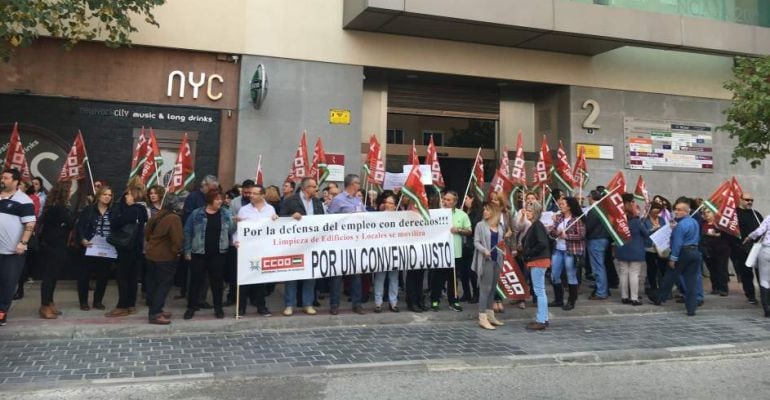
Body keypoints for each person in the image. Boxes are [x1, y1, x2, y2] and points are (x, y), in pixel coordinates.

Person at [183, 189, 235, 319]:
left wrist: (235, 222)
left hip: (218, 253)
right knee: (196, 282)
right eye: (217, 199)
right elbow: (188, 232)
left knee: (217, 282)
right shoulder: (197, 213)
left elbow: (231, 231)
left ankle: (218, 308)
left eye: (221, 199)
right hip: (199, 253)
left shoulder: (225, 213)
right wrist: (187, 250)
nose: (220, 201)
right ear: (210, 200)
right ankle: (191, 307)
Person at [649, 197, 702, 316]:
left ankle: (659, 297)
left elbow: (677, 243)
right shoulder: (694, 222)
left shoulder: (681, 225)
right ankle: (691, 308)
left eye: (679, 210)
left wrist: (673, 258)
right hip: (695, 251)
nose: (676, 212)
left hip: (684, 252)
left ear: (686, 211)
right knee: (691, 281)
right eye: (675, 210)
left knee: (670, 276)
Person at [279, 178, 324, 315]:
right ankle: (289, 304)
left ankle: (308, 303)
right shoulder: (291, 200)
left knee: (310, 275)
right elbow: (281, 218)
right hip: (294, 244)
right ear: (305, 188)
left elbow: (322, 218)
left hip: (312, 244)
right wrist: (291, 216)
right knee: (292, 274)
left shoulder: (317, 202)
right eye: (313, 186)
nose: (316, 189)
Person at [105, 178, 148, 318]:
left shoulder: (132, 210)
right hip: (137, 248)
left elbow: (116, 223)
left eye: (128, 195)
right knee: (133, 277)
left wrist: (116, 216)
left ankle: (122, 306)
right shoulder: (142, 210)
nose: (126, 197)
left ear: (134, 195)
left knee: (122, 276)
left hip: (127, 247)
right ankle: (131, 305)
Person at [236, 184, 278, 317]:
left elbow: (274, 228)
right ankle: (241, 308)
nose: (251, 196)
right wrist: (236, 241)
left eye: (254, 193)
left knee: (261, 279)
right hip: (247, 249)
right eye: (250, 194)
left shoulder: (270, 209)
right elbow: (239, 229)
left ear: (262, 195)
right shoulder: (244, 210)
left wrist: (276, 220)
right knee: (244, 279)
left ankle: (261, 306)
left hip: (263, 249)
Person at [327, 174, 367, 314]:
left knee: (356, 275)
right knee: (337, 275)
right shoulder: (338, 200)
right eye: (357, 183)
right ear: (351, 184)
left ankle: (357, 304)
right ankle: (334, 304)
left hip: (356, 243)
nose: (359, 185)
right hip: (340, 243)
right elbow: (329, 219)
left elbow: (365, 217)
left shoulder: (358, 200)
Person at [428, 190, 470, 313]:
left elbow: (469, 231)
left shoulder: (462, 215)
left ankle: (453, 301)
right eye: (444, 199)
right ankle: (434, 300)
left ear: (455, 202)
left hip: (455, 252)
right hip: (440, 252)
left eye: (448, 200)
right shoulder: (436, 214)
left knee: (453, 279)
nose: (445, 202)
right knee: (437, 278)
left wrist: (459, 230)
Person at [144, 195, 183, 325]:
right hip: (165, 256)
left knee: (153, 285)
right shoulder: (174, 218)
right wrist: (176, 252)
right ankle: (155, 314)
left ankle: (156, 310)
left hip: (151, 254)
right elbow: (177, 239)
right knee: (163, 285)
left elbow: (147, 233)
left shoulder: (158, 215)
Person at [38, 182, 74, 319]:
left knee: (53, 277)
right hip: (53, 246)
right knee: (49, 277)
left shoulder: (56, 207)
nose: (71, 193)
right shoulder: (59, 208)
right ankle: (44, 305)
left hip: (56, 245)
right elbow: (70, 222)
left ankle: (50, 302)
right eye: (70, 190)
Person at [76, 185, 115, 311]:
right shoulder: (89, 210)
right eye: (105, 194)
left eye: (109, 195)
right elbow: (80, 226)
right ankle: (83, 302)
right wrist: (82, 239)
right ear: (98, 196)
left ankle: (98, 301)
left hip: (107, 248)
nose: (107, 197)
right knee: (84, 276)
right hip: (89, 247)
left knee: (103, 276)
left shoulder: (113, 211)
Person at [471, 202, 505, 330]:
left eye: (487, 210)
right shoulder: (480, 225)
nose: (484, 212)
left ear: (494, 212)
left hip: (497, 260)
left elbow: (501, 241)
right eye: (484, 209)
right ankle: (482, 317)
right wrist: (484, 250)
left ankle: (490, 315)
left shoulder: (500, 226)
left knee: (493, 289)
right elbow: (476, 242)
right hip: (486, 260)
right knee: (485, 289)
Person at [548, 196, 585, 311]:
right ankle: (559, 299)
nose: (561, 206)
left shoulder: (577, 219)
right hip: (558, 249)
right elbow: (553, 231)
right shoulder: (559, 217)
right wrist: (554, 231)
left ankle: (571, 300)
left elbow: (581, 235)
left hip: (570, 251)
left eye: (563, 204)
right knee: (554, 275)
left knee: (571, 275)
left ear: (569, 206)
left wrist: (567, 236)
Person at [520, 201, 551, 330]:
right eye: (527, 210)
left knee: (539, 291)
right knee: (540, 290)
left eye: (530, 211)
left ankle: (541, 319)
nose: (527, 212)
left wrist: (528, 254)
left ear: (536, 213)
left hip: (538, 260)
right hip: (539, 259)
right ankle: (543, 317)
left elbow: (542, 243)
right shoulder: (536, 225)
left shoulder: (537, 226)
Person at [729, 192, 764, 305]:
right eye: (747, 200)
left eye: (751, 200)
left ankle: (764, 294)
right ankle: (751, 295)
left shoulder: (755, 213)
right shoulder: (735, 214)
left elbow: (763, 228)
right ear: (740, 199)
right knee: (746, 273)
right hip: (742, 248)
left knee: (762, 272)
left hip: (758, 247)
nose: (749, 202)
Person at [615, 194, 649, 306]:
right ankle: (634, 298)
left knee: (623, 273)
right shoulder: (635, 220)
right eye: (633, 202)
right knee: (634, 274)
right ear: (629, 203)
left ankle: (624, 296)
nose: (635, 204)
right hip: (635, 250)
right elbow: (645, 234)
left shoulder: (618, 219)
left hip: (621, 248)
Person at [372, 194, 400, 313]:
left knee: (394, 278)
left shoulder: (400, 218)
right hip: (382, 251)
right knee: (380, 278)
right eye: (386, 202)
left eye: (390, 203)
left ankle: (393, 303)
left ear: (395, 205)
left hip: (395, 251)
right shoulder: (378, 217)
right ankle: (378, 303)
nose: (387, 205)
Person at [488, 191, 514, 312]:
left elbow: (512, 230)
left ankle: (499, 300)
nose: (494, 202)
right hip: (492, 248)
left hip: (504, 249)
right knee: (493, 276)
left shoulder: (507, 214)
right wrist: (504, 234)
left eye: (496, 200)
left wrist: (513, 248)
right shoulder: (488, 214)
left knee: (501, 276)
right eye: (492, 200)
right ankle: (493, 300)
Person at [585, 190, 611, 300]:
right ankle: (603, 289)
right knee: (600, 265)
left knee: (597, 267)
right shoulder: (602, 209)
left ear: (592, 197)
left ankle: (601, 292)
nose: (587, 198)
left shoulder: (594, 210)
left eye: (588, 196)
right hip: (602, 239)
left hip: (596, 240)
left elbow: (588, 226)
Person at [701, 208, 731, 296]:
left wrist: (716, 233)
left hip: (721, 250)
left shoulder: (719, 224)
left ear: (714, 213)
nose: (706, 214)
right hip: (708, 250)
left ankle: (723, 288)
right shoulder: (703, 224)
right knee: (712, 269)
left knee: (721, 268)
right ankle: (715, 287)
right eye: (704, 212)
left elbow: (726, 235)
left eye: (708, 212)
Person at [745, 214, 770, 317]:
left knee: (764, 280)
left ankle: (767, 309)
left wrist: (749, 237)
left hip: (766, 250)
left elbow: (759, 231)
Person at [642, 203, 667, 296]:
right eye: (655, 211)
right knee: (651, 268)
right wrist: (653, 229)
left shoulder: (662, 219)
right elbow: (644, 233)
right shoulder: (644, 220)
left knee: (662, 268)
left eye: (658, 212)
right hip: (650, 247)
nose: (657, 214)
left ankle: (663, 288)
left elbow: (665, 230)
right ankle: (653, 287)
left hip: (661, 247)